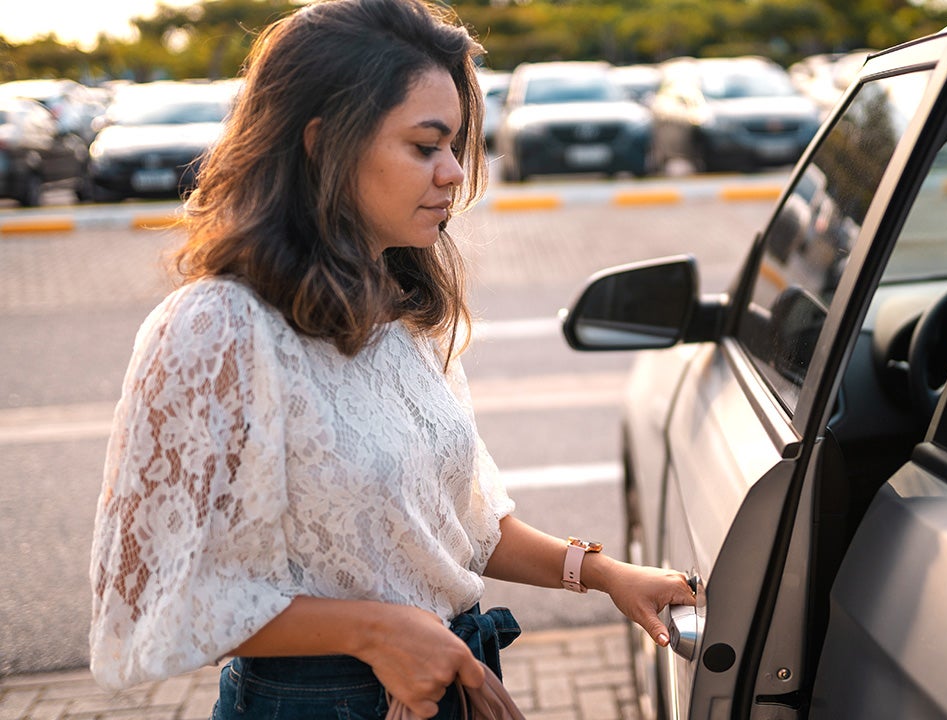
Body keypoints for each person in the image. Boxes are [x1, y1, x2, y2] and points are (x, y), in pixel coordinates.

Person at [86, 1, 695, 718]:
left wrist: (604, 573)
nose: (454, 174)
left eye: (456, 146)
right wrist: (376, 632)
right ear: (323, 144)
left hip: (442, 681)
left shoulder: (398, 309)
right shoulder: (216, 328)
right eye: (425, 146)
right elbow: (146, 601)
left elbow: (458, 529)